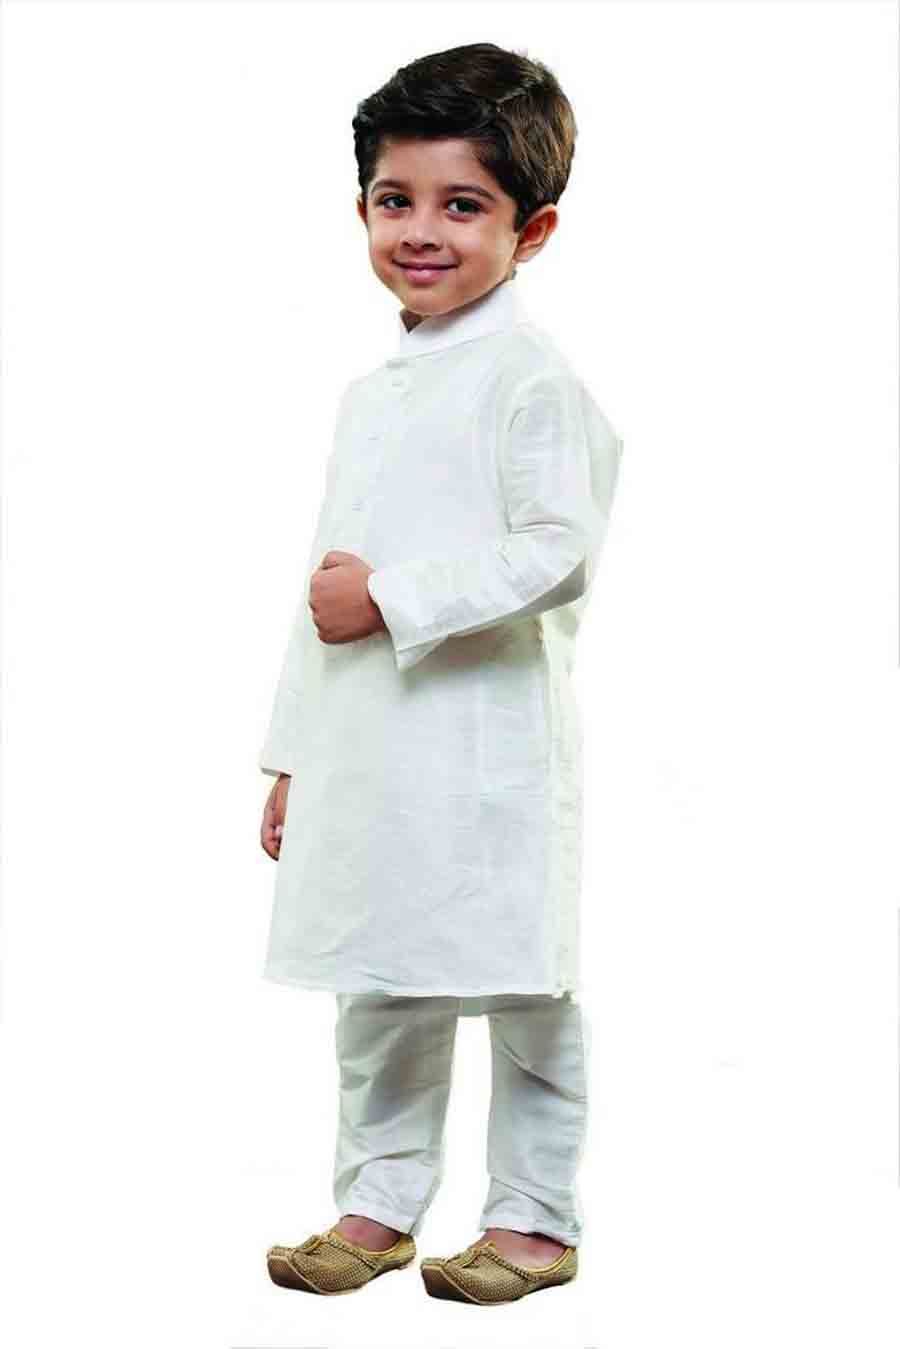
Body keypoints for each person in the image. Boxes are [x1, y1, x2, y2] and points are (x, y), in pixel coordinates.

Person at [258, 42, 623, 1305]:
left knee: (521, 986)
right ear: (362, 207)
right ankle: (379, 1200)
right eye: (394, 199)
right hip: (368, 750)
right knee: (380, 978)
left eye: (463, 204)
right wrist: (293, 755)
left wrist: (395, 597)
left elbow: (559, 549)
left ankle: (532, 1218)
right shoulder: (373, 394)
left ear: (533, 230)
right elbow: (323, 588)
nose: (421, 230)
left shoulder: (531, 382)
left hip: (483, 747)